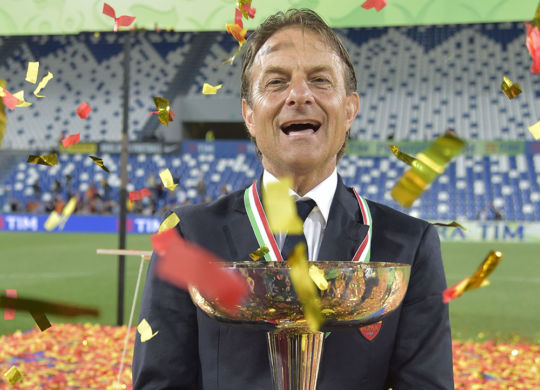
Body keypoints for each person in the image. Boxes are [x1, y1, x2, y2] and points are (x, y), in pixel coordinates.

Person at [133, 8, 453, 389]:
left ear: (350, 109)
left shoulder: (408, 246)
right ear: (249, 115)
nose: (299, 95)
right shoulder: (187, 237)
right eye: (276, 82)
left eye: (319, 80)